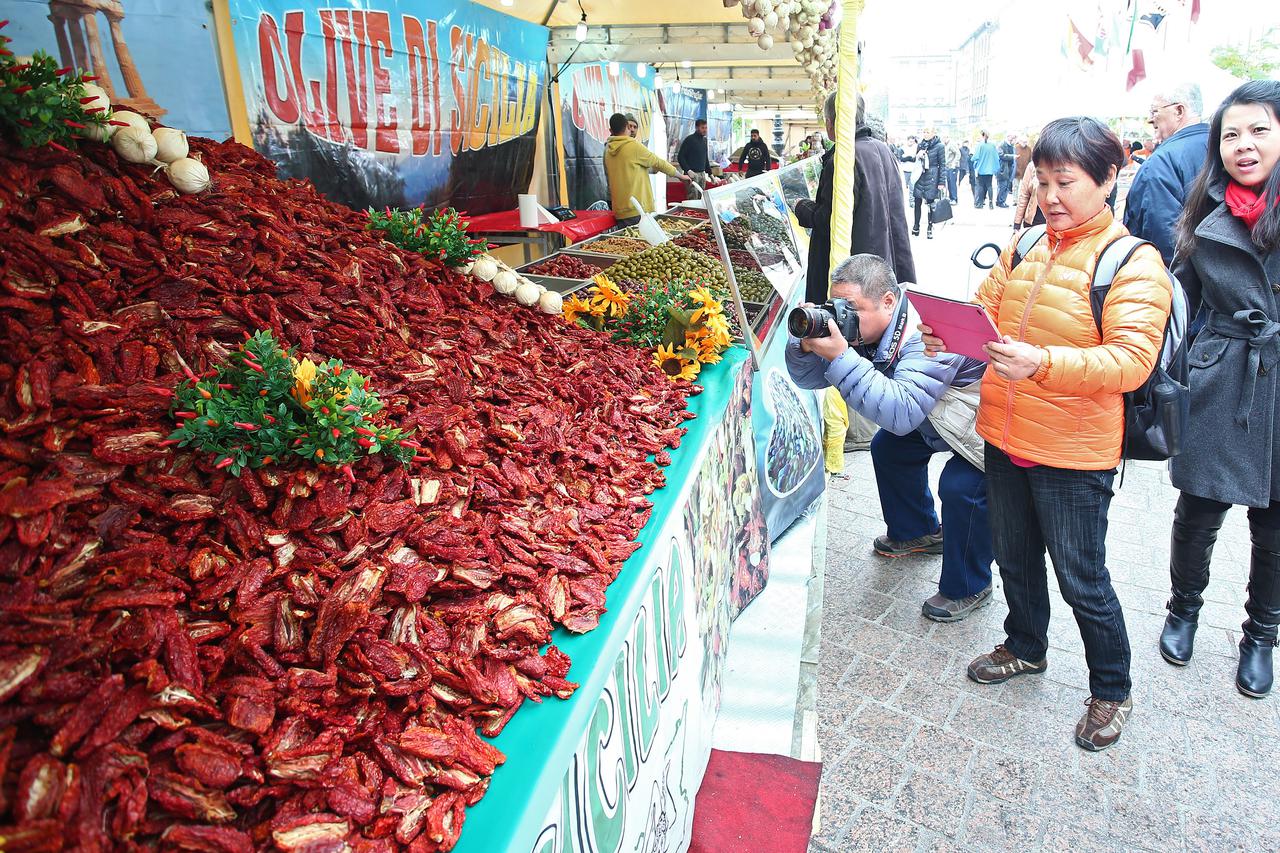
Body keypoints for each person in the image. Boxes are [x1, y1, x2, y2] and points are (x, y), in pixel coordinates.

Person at [925, 116, 1173, 751]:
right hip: (1004, 434)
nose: (1051, 196)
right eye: (1042, 181)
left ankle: (1111, 690)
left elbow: (1131, 361)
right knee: (1013, 555)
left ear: (1109, 179)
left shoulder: (1133, 264)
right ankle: (1026, 645)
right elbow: (985, 310)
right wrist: (947, 331)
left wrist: (1045, 363)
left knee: (1081, 577)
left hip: (1072, 450)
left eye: (1066, 181)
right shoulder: (1027, 244)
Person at [786, 254, 993, 620]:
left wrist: (841, 356)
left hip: (981, 423)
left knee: (963, 487)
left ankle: (970, 585)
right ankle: (918, 532)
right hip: (936, 414)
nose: (842, 316)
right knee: (889, 449)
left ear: (888, 301)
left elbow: (902, 413)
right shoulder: (867, 326)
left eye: (853, 308)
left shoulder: (926, 331)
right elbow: (809, 380)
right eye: (837, 306)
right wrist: (807, 345)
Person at [1161, 80, 1280, 699]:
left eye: (1259, 130)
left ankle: (1261, 636)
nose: (1244, 145)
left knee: (1274, 525)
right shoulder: (1203, 209)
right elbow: (1180, 299)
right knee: (1199, 509)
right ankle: (1183, 610)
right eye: (1230, 133)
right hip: (1223, 372)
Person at [794, 92, 917, 304]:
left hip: (855, 276)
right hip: (883, 266)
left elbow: (830, 220)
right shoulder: (883, 150)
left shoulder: (844, 158)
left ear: (831, 122)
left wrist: (802, 207)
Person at [1122, 82, 1209, 265]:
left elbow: (1161, 241)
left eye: (1154, 112)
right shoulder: (1222, 147)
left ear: (1179, 111)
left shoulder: (1162, 162)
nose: (1150, 120)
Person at [603, 112, 689, 225]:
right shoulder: (633, 145)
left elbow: (625, 170)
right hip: (637, 209)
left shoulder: (607, 150)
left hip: (620, 211)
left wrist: (650, 170)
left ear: (611, 130)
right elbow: (659, 162)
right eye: (631, 127)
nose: (632, 130)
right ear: (627, 127)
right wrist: (681, 176)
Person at [911, 130, 946, 239]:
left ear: (933, 133)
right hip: (920, 175)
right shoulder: (921, 145)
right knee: (917, 201)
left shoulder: (939, 146)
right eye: (924, 131)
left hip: (932, 177)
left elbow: (943, 165)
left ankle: (930, 227)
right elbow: (914, 161)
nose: (925, 134)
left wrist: (941, 182)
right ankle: (916, 225)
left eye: (928, 131)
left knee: (930, 204)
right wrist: (918, 155)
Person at [678, 119, 711, 188]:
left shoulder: (704, 140)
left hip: (702, 174)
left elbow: (705, 158)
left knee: (701, 196)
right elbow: (680, 157)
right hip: (692, 174)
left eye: (706, 128)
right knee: (693, 196)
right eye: (702, 128)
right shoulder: (689, 140)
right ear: (696, 128)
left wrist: (710, 174)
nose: (705, 130)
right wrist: (688, 170)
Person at [972, 131, 1000, 209]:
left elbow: (975, 157)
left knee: (980, 186)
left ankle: (980, 203)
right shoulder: (992, 145)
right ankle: (991, 202)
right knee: (989, 185)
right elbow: (996, 157)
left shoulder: (980, 145)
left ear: (982, 135)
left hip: (981, 169)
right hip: (990, 170)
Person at [1012, 160, 1042, 230]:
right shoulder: (1032, 166)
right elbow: (1024, 196)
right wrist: (1017, 224)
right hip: (1034, 222)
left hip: (1058, 226)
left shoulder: (1064, 165)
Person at [996, 131, 1017, 207]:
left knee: (1007, 186)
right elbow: (1001, 155)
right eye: (1013, 137)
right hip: (1002, 169)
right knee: (1002, 186)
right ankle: (999, 201)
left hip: (1009, 169)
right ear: (1008, 137)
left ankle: (1002, 201)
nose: (1014, 140)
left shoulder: (1012, 147)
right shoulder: (1001, 145)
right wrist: (1012, 156)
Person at [944, 135, 960, 201]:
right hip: (948, 166)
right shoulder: (946, 145)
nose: (943, 139)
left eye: (944, 137)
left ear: (948, 137)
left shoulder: (951, 144)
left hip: (952, 167)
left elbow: (958, 154)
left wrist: (954, 163)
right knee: (949, 183)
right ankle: (951, 198)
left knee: (952, 183)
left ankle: (954, 198)